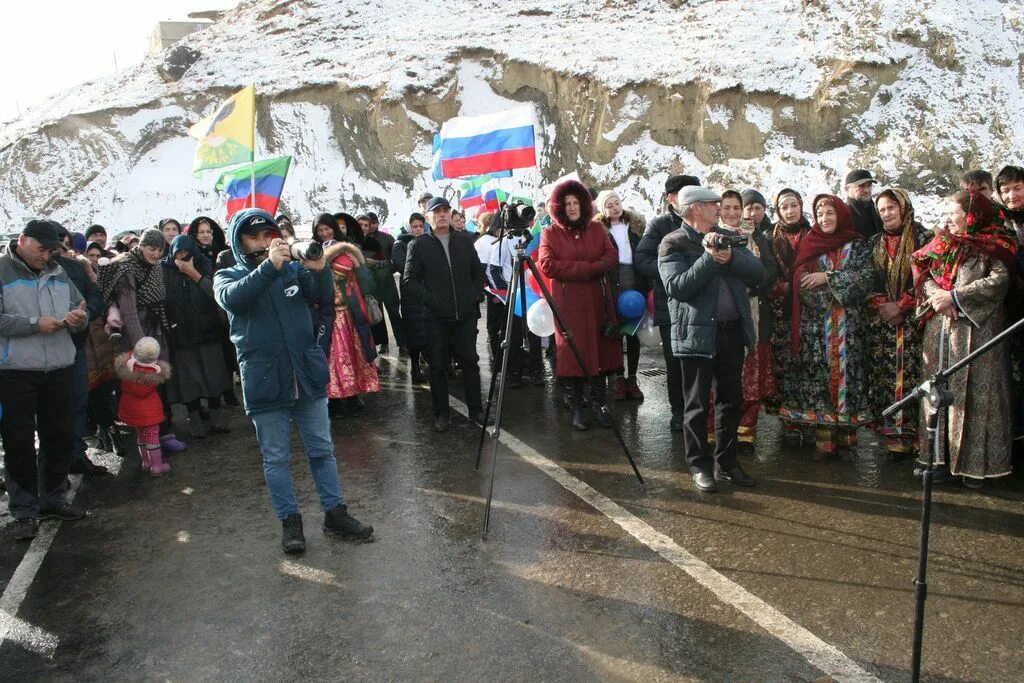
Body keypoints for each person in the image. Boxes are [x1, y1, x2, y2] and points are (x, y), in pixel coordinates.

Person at [214, 209, 373, 553]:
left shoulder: (290, 269)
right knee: (276, 458)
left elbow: (318, 295)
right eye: (253, 237)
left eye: (267, 236)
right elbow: (235, 300)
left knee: (322, 450)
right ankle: (290, 522)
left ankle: (335, 513)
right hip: (267, 380)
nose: (261, 243)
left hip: (306, 372)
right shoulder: (227, 276)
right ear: (238, 242)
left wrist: (319, 271)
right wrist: (268, 266)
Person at [658, 187, 764, 492]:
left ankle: (727, 463)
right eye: (711, 204)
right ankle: (699, 466)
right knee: (696, 405)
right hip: (695, 334)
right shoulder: (672, 242)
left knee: (732, 401)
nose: (718, 208)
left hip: (731, 332)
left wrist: (729, 257)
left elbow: (757, 271)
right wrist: (708, 258)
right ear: (693, 209)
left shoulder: (725, 235)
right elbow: (677, 287)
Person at [912, 191, 1016, 488]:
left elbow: (999, 281)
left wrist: (956, 297)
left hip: (979, 334)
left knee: (977, 397)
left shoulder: (996, 245)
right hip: (941, 331)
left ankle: (975, 466)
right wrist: (937, 297)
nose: (949, 218)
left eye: (954, 212)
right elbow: (924, 271)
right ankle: (937, 460)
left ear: (972, 215)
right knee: (937, 394)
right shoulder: (943, 243)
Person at [0, 220, 89, 540]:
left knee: (60, 436)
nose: (46, 255)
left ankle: (53, 499)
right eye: (41, 249)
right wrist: (36, 324)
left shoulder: (59, 271)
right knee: (19, 441)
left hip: (59, 367)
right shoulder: (2, 271)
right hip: (16, 371)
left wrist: (79, 318)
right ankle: (23, 510)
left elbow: (80, 307)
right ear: (22, 240)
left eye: (52, 250)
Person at [778, 195, 872, 459]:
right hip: (817, 327)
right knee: (819, 381)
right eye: (820, 215)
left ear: (840, 215)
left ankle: (847, 441)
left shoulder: (857, 244)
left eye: (830, 213)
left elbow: (865, 278)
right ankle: (824, 441)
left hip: (850, 328)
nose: (825, 219)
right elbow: (801, 281)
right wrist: (822, 289)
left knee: (848, 380)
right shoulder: (811, 244)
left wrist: (827, 278)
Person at [538, 179, 622, 431]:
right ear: (560, 207)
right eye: (568, 203)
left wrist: (591, 269)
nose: (572, 207)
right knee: (573, 354)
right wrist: (587, 269)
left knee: (599, 353)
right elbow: (547, 264)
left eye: (576, 203)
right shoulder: (550, 233)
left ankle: (599, 404)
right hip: (568, 305)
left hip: (598, 301)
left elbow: (611, 256)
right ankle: (577, 408)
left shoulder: (597, 230)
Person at [96, 228, 187, 452]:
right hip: (136, 333)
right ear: (141, 246)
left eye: (159, 249)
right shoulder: (127, 268)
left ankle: (162, 434)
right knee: (142, 387)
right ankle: (149, 441)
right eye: (151, 248)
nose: (155, 253)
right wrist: (141, 345)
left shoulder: (155, 267)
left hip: (157, 328)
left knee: (158, 383)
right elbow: (129, 311)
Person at [403, 196, 487, 432]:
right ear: (428, 217)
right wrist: (433, 300)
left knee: (470, 363)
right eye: (436, 211)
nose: (441, 214)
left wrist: (475, 294)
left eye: (445, 210)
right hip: (436, 318)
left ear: (450, 214)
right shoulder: (418, 246)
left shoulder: (463, 240)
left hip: (465, 315)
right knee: (438, 367)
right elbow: (409, 281)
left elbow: (477, 272)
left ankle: (476, 410)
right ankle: (441, 414)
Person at [865, 188, 931, 456]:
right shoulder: (874, 243)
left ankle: (917, 436)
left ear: (903, 207)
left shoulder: (925, 237)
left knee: (915, 374)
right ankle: (893, 435)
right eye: (881, 209)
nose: (887, 213)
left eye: (891, 207)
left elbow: (929, 276)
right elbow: (867, 280)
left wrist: (902, 305)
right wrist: (882, 305)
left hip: (915, 319)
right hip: (884, 323)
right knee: (886, 376)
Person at [713, 190, 780, 451]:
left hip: (753, 314)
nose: (731, 213)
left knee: (752, 377)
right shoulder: (713, 236)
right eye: (726, 208)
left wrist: (754, 286)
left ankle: (745, 432)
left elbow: (770, 270)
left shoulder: (758, 238)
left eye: (736, 208)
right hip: (725, 318)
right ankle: (717, 431)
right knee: (723, 380)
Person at [635, 174, 701, 430]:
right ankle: (678, 411)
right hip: (670, 304)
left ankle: (700, 414)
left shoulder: (704, 219)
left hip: (701, 304)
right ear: (671, 198)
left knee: (701, 363)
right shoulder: (660, 225)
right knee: (674, 364)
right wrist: (674, 273)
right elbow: (642, 259)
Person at [162, 234, 233, 438]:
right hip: (180, 335)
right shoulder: (165, 271)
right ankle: (194, 421)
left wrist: (193, 273)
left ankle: (216, 419)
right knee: (188, 380)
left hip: (207, 331)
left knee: (213, 376)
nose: (182, 257)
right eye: (178, 253)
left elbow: (215, 293)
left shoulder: (204, 265)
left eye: (186, 252)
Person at [52, 223, 108, 475]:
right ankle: (55, 463)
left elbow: (95, 296)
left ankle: (76, 454)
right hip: (42, 350)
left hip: (75, 345)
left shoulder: (76, 268)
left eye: (63, 242)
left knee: (78, 401)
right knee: (51, 411)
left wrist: (85, 314)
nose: (61, 248)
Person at [766, 188, 812, 442]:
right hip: (779, 312)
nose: (790, 211)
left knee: (808, 367)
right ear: (778, 210)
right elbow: (764, 269)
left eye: (794, 205)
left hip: (809, 312)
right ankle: (789, 424)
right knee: (783, 366)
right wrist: (779, 287)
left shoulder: (814, 235)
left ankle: (809, 419)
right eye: (784, 207)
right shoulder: (769, 236)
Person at [595, 190, 648, 401]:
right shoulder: (599, 230)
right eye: (609, 205)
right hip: (612, 282)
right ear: (603, 209)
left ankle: (632, 378)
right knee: (616, 333)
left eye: (617, 203)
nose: (615, 207)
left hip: (634, 280)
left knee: (633, 333)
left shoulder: (635, 226)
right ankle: (618, 378)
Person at [323, 239, 380, 417]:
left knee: (356, 358)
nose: (340, 277)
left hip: (353, 321)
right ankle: (334, 401)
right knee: (334, 362)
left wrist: (359, 265)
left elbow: (369, 286)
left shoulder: (354, 273)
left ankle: (353, 396)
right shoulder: (319, 275)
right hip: (331, 325)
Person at [116, 337, 172, 475]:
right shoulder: (151, 376)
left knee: (140, 436)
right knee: (152, 436)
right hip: (149, 412)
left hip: (133, 411)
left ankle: (146, 462)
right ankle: (157, 465)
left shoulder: (127, 372)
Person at [393, 213, 429, 383]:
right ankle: (415, 367)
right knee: (414, 332)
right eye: (414, 226)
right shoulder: (400, 244)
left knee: (429, 329)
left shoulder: (429, 241)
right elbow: (401, 265)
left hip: (428, 291)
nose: (417, 229)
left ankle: (430, 362)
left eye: (420, 226)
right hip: (411, 294)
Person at [844, 169, 882, 240]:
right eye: (861, 186)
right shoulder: (842, 215)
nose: (866, 190)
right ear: (846, 189)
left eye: (869, 185)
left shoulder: (880, 210)